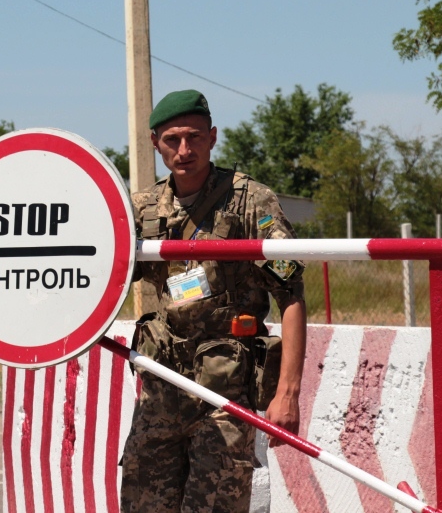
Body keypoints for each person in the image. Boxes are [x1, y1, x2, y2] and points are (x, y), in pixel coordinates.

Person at [120, 89, 307, 513]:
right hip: (161, 387)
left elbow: (291, 296)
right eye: (172, 140)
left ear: (213, 137)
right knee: (141, 503)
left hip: (225, 392)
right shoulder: (143, 209)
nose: (184, 150)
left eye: (195, 138)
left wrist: (288, 392)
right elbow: (97, 279)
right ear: (155, 143)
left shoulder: (250, 202)